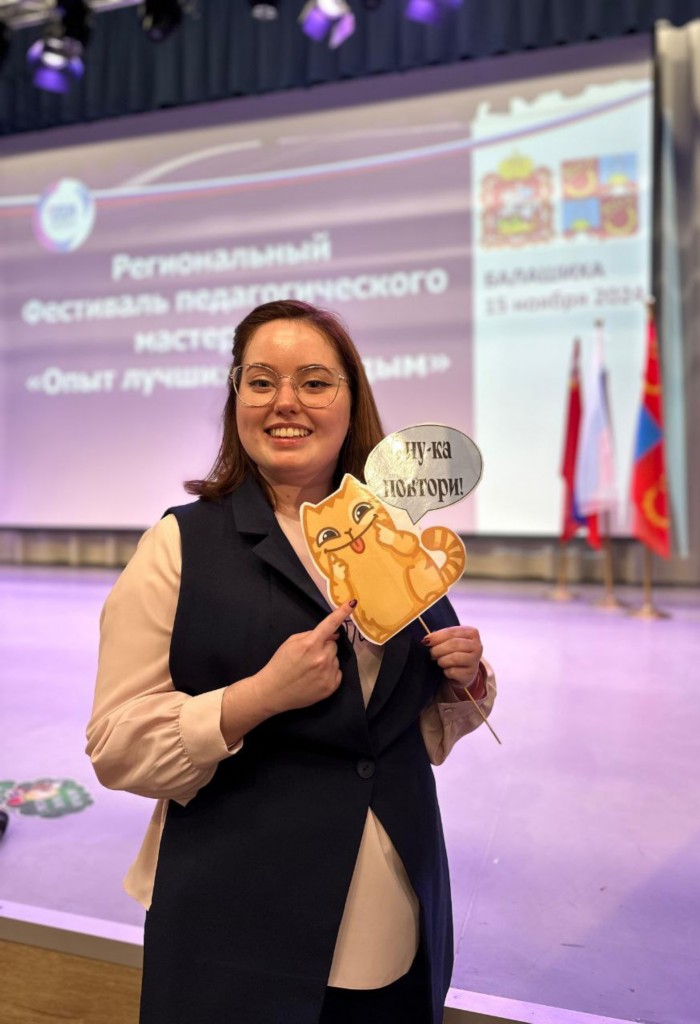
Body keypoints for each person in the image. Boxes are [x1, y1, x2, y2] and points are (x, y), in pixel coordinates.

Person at [86, 299, 496, 1024]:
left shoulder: (391, 534)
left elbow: (415, 723)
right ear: (236, 400)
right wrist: (258, 696)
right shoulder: (180, 545)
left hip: (396, 912)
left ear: (351, 401)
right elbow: (116, 744)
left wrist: (464, 676)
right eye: (261, 381)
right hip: (238, 924)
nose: (286, 402)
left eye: (314, 381)